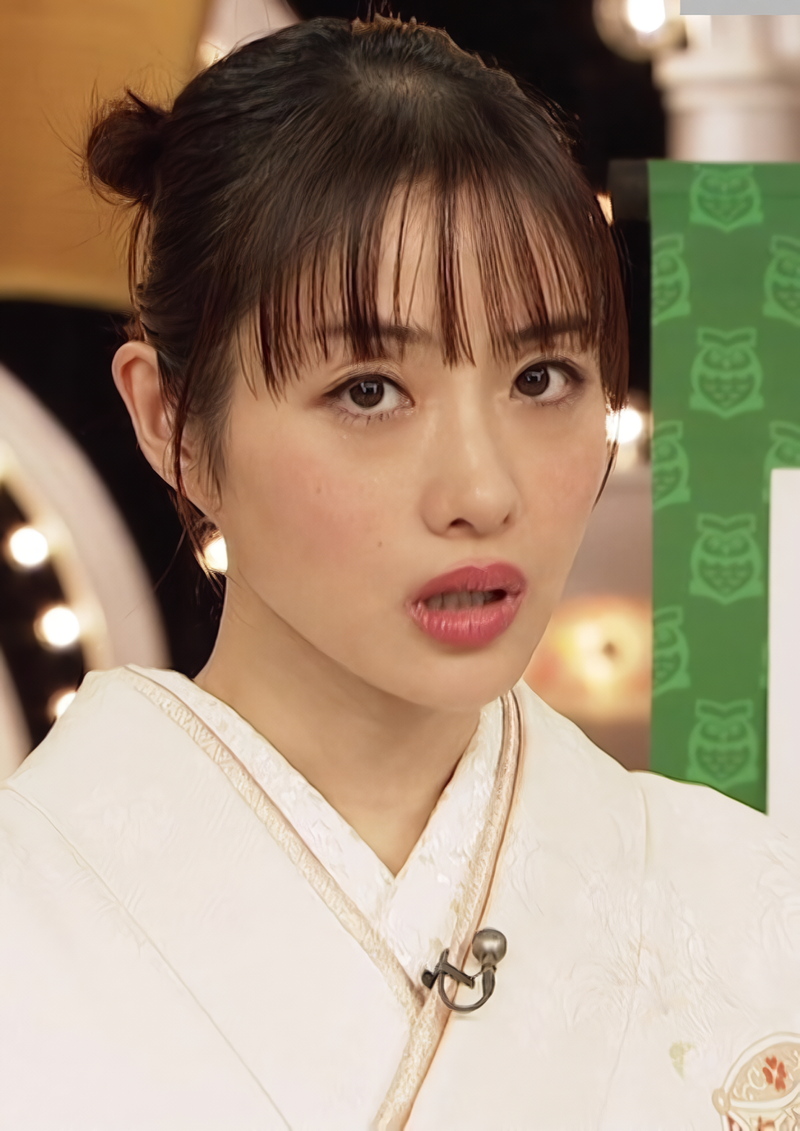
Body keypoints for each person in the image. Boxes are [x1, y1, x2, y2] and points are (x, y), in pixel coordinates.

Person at [1, 15, 799, 1131]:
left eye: (541, 377)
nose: (481, 489)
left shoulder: (749, 906)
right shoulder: (32, 921)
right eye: (368, 391)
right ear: (171, 419)